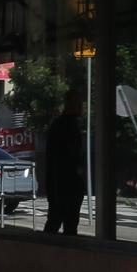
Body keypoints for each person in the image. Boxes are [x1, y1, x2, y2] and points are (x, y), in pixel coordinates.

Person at [44, 88, 86, 235]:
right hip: (65, 185)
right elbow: (68, 157)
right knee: (63, 222)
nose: (82, 107)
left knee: (60, 221)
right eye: (79, 103)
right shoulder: (66, 126)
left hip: (64, 184)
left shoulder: (64, 125)